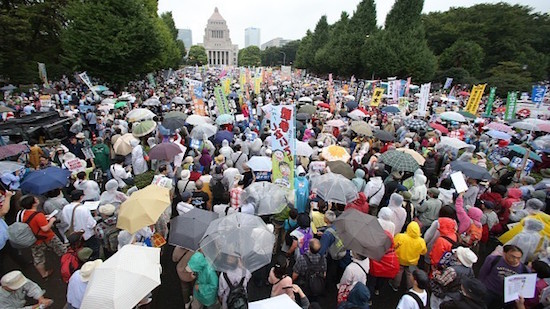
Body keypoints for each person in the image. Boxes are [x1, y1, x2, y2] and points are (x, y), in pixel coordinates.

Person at [19, 194, 66, 279]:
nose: (37, 199)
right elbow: (45, 228)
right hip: (47, 237)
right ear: (33, 204)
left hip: (34, 239)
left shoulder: (22, 214)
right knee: (62, 250)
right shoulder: (38, 215)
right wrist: (51, 220)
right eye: (35, 199)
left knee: (38, 257)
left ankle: (44, 274)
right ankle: (67, 265)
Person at [62, 190, 100, 260]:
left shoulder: (65, 208)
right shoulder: (83, 209)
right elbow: (91, 224)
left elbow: (65, 220)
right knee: (92, 252)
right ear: (81, 197)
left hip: (74, 235)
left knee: (80, 252)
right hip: (87, 235)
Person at [390, 221, 427, 291]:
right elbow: (423, 252)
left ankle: (395, 286)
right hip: (412, 262)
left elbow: (393, 245)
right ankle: (409, 288)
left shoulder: (400, 236)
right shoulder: (421, 241)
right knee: (409, 274)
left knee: (399, 272)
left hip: (400, 259)